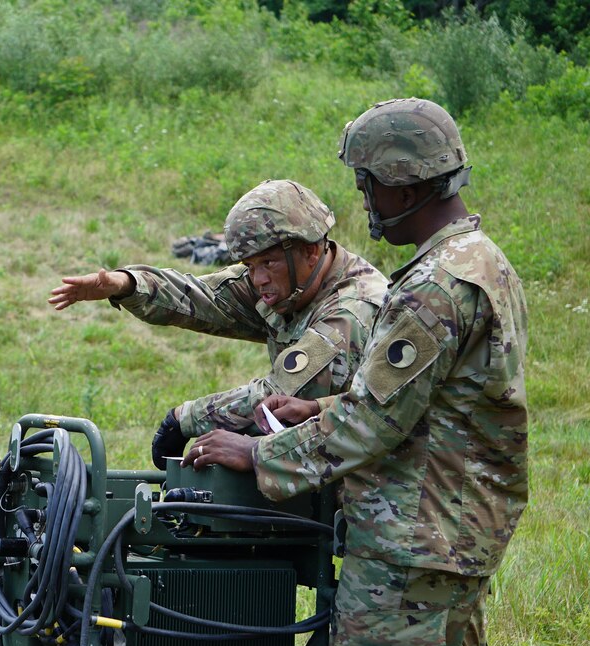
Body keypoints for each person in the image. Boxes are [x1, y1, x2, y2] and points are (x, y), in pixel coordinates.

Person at [184, 98, 528, 646]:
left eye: (366, 184)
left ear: (401, 185)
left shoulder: (435, 287)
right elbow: (441, 403)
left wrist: (258, 453)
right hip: (455, 537)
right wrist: (320, 410)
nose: (364, 201)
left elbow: (371, 425)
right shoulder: (482, 261)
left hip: (410, 543)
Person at [49, 179, 388, 469]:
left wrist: (185, 419)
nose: (257, 279)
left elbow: (280, 396)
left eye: (267, 263)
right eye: (249, 265)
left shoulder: (352, 311)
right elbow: (204, 297)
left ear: (311, 252)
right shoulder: (291, 279)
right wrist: (129, 284)